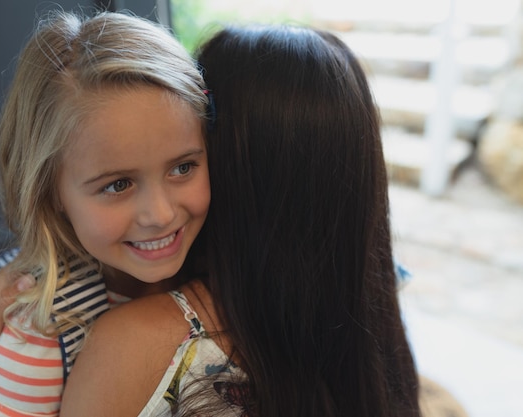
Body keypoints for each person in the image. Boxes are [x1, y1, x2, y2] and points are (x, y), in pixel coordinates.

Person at [55, 25, 421, 416]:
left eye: (182, 165)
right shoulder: (376, 303)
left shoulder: (134, 346)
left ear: (225, 166)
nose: (159, 212)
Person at [0, 10, 211, 417]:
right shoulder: (43, 331)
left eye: (182, 167)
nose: (159, 214)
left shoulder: (222, 264)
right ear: (50, 193)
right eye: (117, 184)